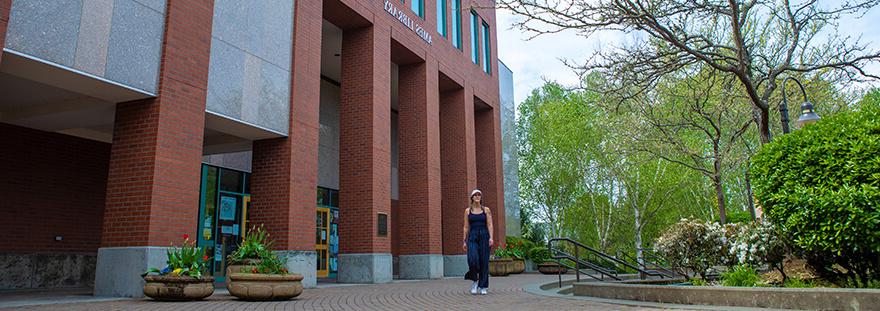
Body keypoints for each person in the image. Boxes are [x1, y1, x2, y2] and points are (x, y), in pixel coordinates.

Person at [463, 189, 493, 295]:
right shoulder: (467, 211)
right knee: (472, 259)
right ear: (471, 197)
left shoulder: (486, 210)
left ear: (481, 197)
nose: (477, 196)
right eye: (475, 195)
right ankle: (475, 281)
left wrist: (491, 238)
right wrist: (464, 241)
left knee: (484, 261)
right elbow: (466, 226)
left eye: (479, 195)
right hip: (472, 236)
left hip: (484, 235)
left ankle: (483, 286)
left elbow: (489, 224)